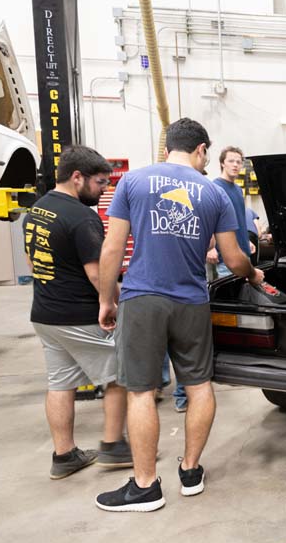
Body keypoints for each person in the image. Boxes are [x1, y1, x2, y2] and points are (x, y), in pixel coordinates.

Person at [95, 118, 263, 512]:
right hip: (191, 301)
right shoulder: (214, 192)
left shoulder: (132, 182)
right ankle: (190, 471)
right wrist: (253, 274)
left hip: (142, 298)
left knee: (141, 391)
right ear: (201, 149)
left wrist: (106, 299)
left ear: (168, 146)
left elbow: (112, 249)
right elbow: (233, 257)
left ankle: (145, 487)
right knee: (199, 385)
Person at [23, 145, 132, 479]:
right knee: (118, 375)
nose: (103, 190)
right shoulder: (81, 217)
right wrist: (116, 303)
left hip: (45, 315)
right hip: (80, 316)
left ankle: (64, 455)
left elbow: (32, 263)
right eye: (100, 183)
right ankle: (114, 446)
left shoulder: (36, 210)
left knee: (60, 383)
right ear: (77, 177)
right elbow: (99, 274)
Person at [205, 146, 253, 279]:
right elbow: (209, 219)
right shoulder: (215, 187)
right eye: (231, 161)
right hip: (226, 259)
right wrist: (210, 248)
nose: (235, 165)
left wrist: (247, 241)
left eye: (238, 162)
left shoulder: (238, 189)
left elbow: (240, 218)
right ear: (222, 163)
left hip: (244, 254)